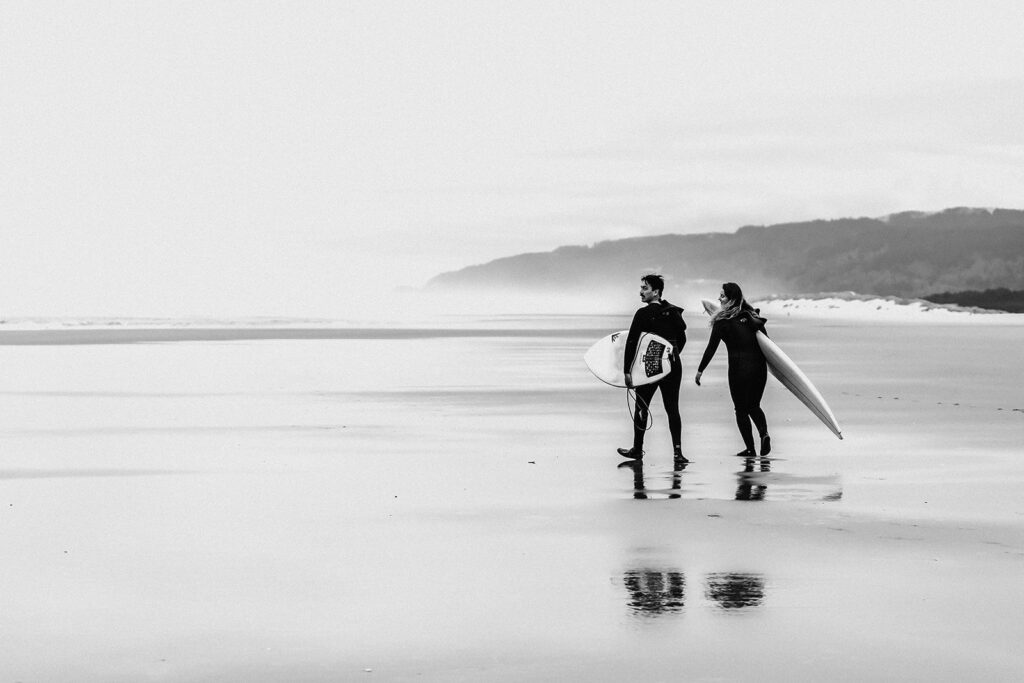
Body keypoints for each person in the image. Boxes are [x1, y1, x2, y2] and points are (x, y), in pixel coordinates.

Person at [694, 282, 771, 457]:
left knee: (740, 409)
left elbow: (711, 347)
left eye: (722, 296)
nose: (719, 299)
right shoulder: (752, 317)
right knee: (754, 405)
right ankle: (764, 434)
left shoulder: (722, 321)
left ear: (731, 299)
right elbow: (768, 344)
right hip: (759, 368)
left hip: (738, 369)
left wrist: (700, 370)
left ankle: (750, 449)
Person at [618, 274, 687, 462]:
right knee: (672, 408)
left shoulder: (643, 314)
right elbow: (682, 337)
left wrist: (627, 370)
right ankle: (678, 453)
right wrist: (674, 352)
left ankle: (637, 450)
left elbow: (632, 341)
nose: (640, 292)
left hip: (651, 363)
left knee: (642, 406)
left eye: (645, 288)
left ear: (655, 292)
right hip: (672, 364)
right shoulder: (672, 312)